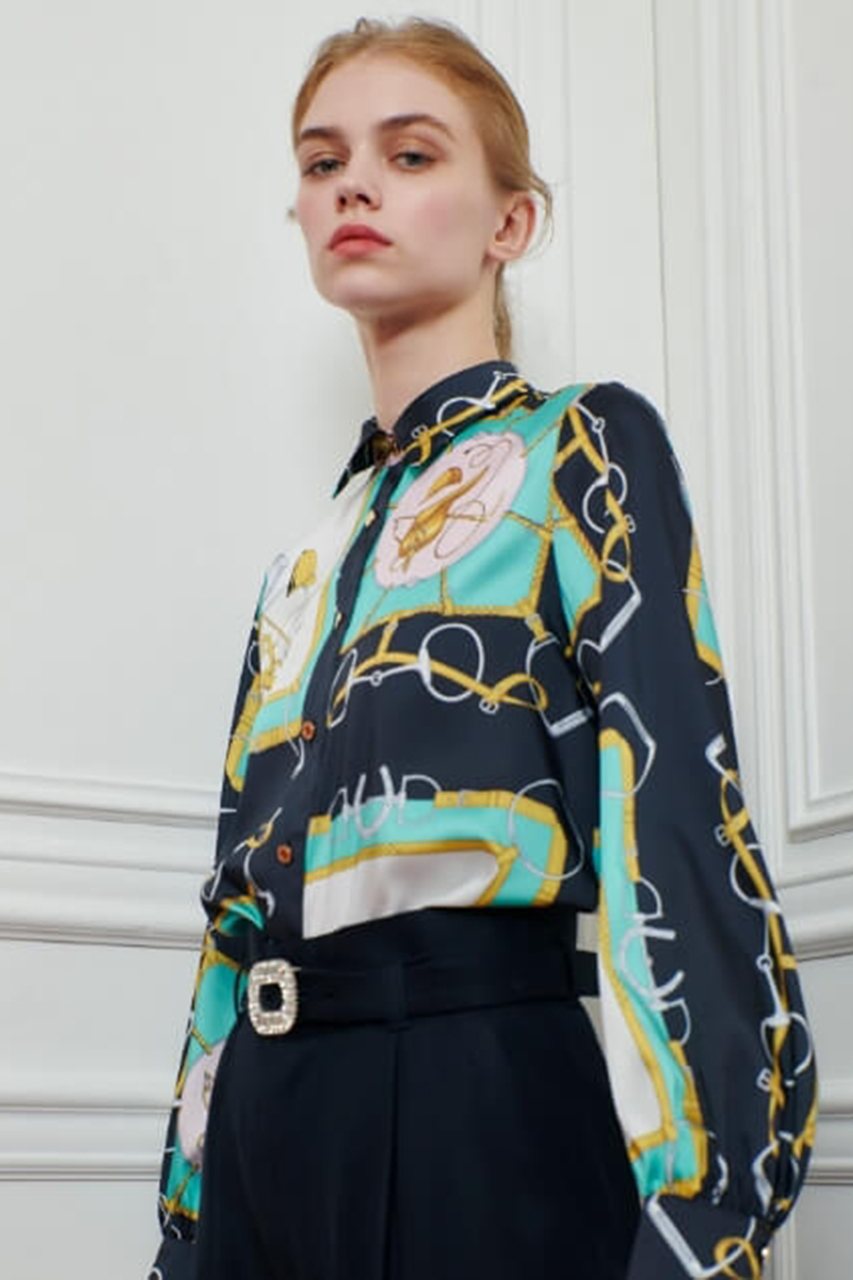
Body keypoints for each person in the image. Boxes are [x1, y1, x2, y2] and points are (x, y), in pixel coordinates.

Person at [147, 16, 816, 1280]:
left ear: (510, 220)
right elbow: (231, 920)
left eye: (409, 154)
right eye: (322, 161)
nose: (353, 185)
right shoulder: (298, 570)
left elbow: (675, 818)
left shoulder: (585, 452)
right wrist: (186, 1216)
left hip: (478, 1105)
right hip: (262, 1135)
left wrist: (701, 1217)